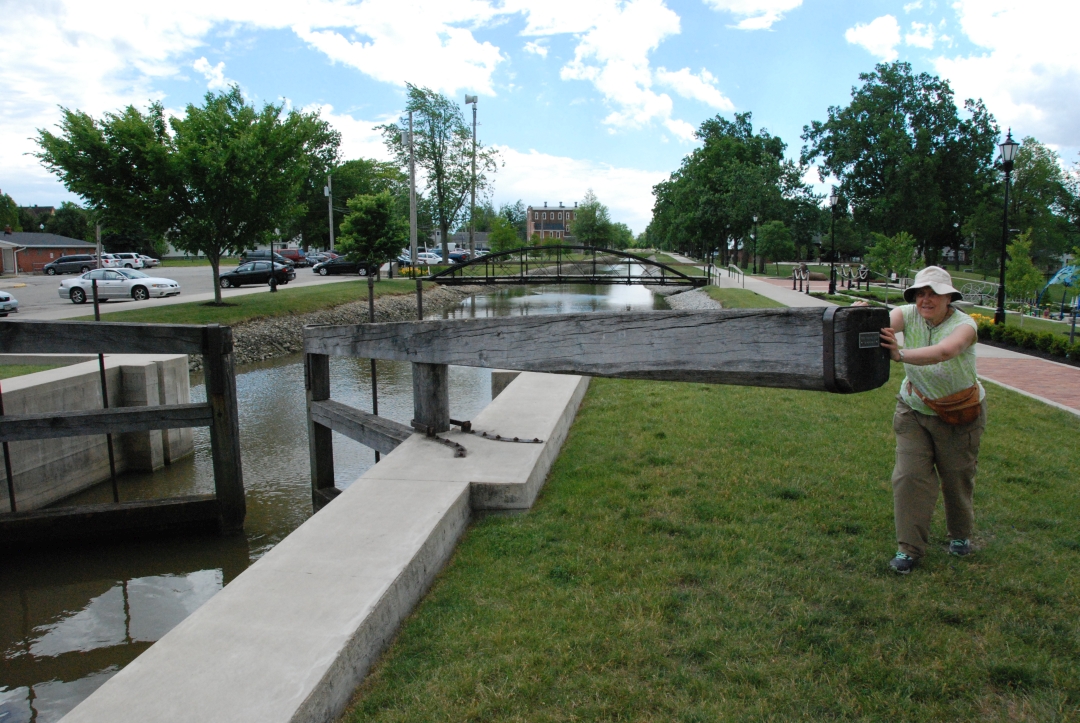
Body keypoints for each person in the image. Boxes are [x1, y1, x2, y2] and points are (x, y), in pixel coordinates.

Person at [875, 266, 986, 574]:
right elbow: (879, 325)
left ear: (949, 298)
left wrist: (900, 355)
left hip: (958, 413)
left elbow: (945, 351)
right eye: (920, 293)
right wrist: (860, 314)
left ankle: (960, 534)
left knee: (957, 478)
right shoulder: (906, 314)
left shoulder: (965, 326)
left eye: (934, 293)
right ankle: (908, 549)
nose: (926, 299)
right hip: (913, 409)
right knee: (909, 477)